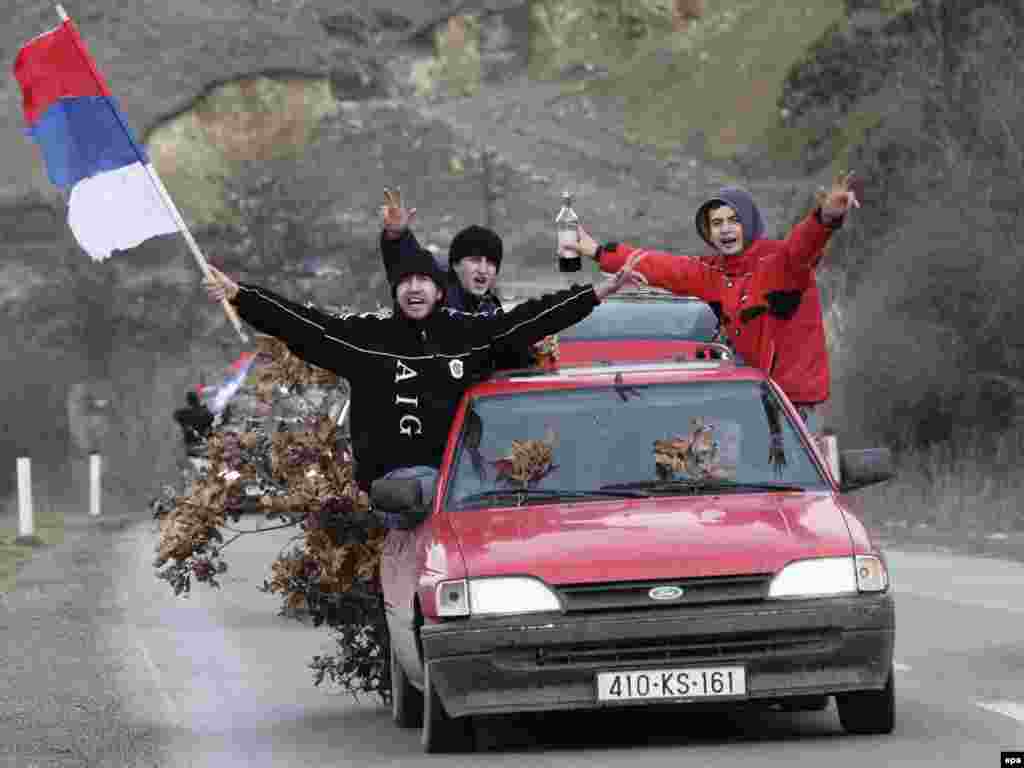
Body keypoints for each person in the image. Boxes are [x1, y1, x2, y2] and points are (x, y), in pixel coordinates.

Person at [203, 244, 645, 508]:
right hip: (394, 490)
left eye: (423, 281)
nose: (414, 288)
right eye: (405, 281)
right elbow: (306, 326)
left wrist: (595, 293)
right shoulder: (367, 338)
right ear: (395, 292)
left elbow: (529, 319)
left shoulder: (469, 334)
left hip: (465, 490)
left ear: (438, 289)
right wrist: (243, 296)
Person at [564, 173, 861, 434]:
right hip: (750, 399)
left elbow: (804, 243)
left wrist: (826, 217)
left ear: (749, 223)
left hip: (796, 405)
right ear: (708, 233)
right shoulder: (712, 272)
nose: (726, 229)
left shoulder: (782, 260)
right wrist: (597, 251)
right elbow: (661, 266)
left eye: (734, 220)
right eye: (716, 223)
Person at [378, 188, 536, 370]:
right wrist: (397, 236)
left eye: (491, 263)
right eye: (475, 260)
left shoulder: (489, 307)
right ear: (455, 265)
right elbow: (408, 263)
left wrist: (531, 348)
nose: (483, 269)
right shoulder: (437, 295)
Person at [173, 391, 214, 455]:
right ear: (198, 400)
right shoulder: (204, 411)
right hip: (205, 440)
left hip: (195, 442)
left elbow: (176, 415)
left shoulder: (185, 413)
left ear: (189, 402)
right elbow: (211, 419)